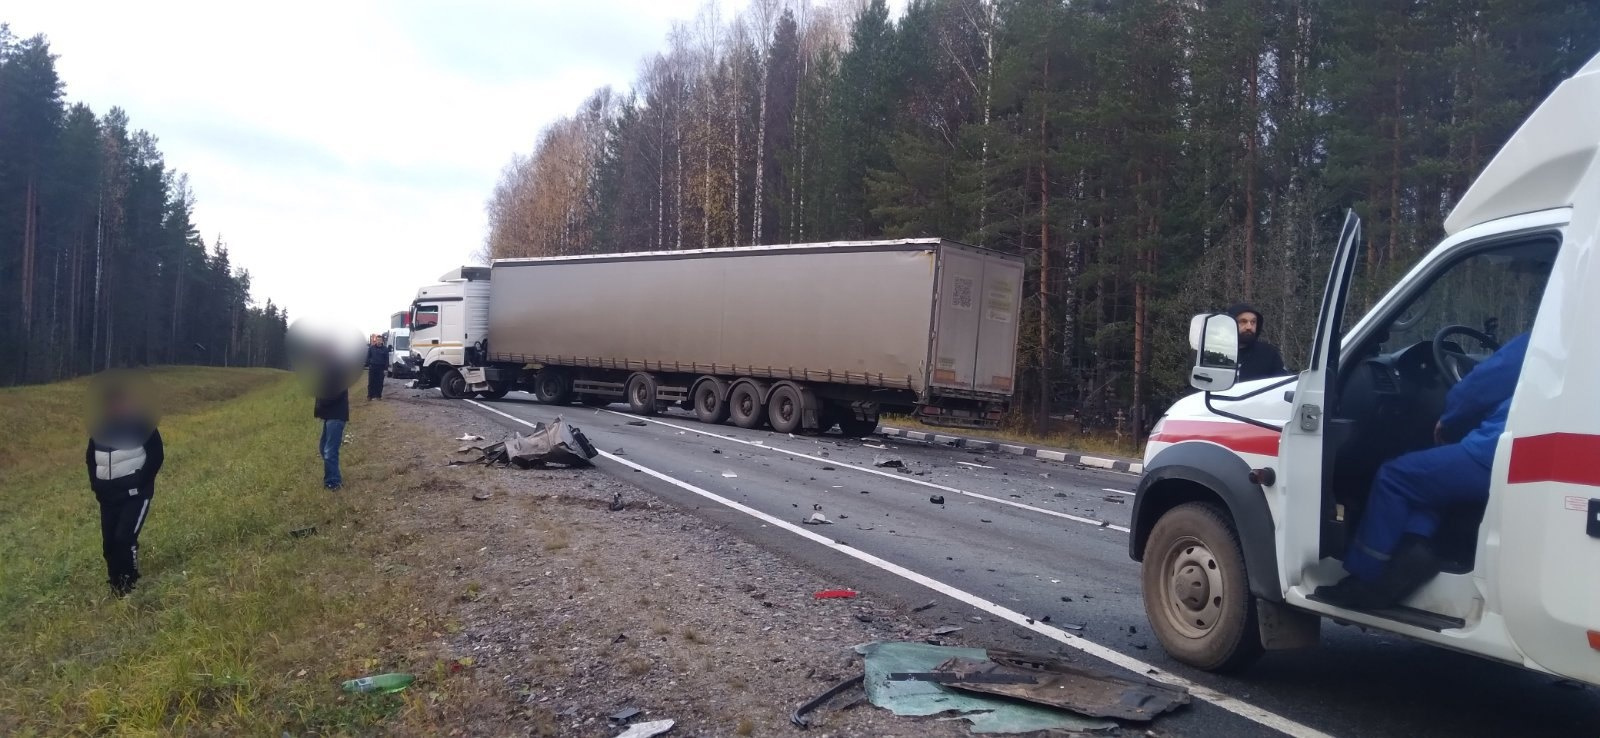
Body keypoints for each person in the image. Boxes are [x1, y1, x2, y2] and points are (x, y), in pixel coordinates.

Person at [1318, 331, 1531, 609]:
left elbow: (1481, 385)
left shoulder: (1544, 337)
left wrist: (1449, 420)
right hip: (1526, 454)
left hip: (1495, 452)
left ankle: (1366, 578)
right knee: (1427, 477)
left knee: (1396, 476)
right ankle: (1414, 547)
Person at [85, 384, 164, 597]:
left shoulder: (141, 425)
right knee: (109, 544)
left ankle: (130, 582)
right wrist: (96, 484)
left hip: (135, 495)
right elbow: (91, 458)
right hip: (108, 496)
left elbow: (156, 455)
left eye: (119, 403)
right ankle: (115, 585)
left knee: (124, 538)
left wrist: (140, 482)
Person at [315, 352, 350, 490]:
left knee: (330, 450)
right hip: (330, 415)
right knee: (324, 448)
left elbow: (334, 394)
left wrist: (321, 403)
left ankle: (333, 482)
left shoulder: (338, 370)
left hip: (336, 415)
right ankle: (334, 475)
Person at [1228, 303, 1287, 381]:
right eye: (1243, 321)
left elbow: (1281, 384)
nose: (1249, 327)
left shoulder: (1268, 353)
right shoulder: (1215, 350)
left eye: (1253, 322)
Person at [364, 334, 387, 401]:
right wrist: (368, 364)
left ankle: (378, 396)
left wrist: (386, 369)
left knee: (379, 383)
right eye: (377, 340)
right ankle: (369, 396)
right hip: (372, 367)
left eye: (380, 340)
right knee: (371, 382)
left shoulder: (385, 349)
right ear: (375, 341)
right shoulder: (371, 348)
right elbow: (368, 357)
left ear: (382, 341)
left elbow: (386, 359)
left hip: (381, 368)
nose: (379, 341)